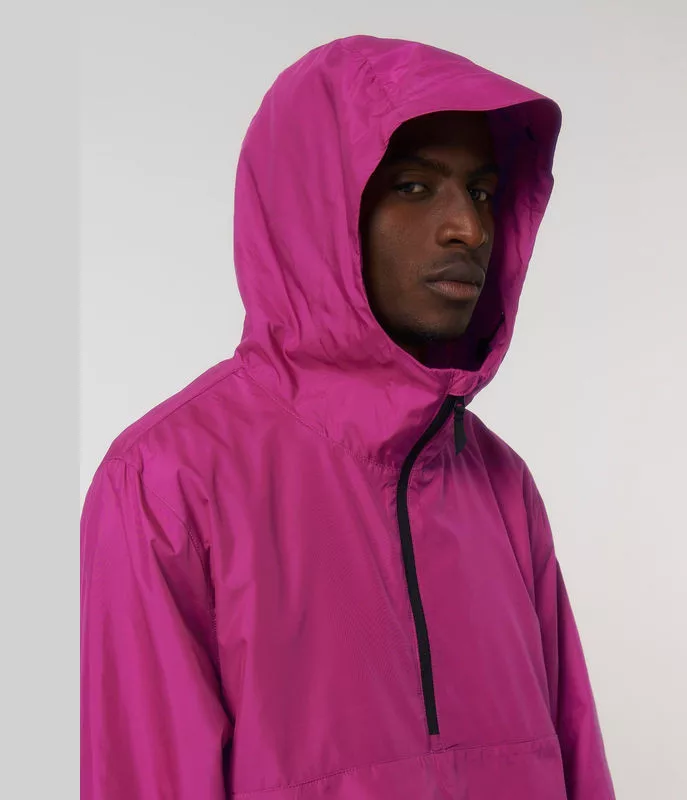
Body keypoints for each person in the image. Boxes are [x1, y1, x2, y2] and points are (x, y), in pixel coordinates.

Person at [80, 34, 615, 799]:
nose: (468, 229)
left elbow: (577, 766)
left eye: (482, 192)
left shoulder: (503, 487)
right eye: (414, 186)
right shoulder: (167, 483)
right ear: (316, 212)